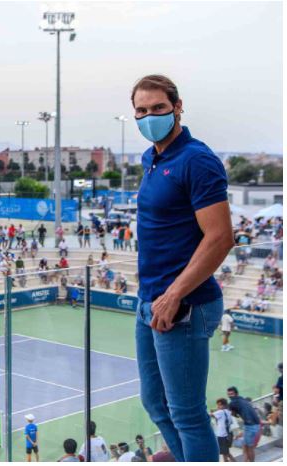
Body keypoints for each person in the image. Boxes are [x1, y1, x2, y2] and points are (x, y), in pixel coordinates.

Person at [132, 75, 232, 462]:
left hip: (185, 305)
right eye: (141, 110)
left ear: (177, 107)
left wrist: (174, 294)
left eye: (158, 108)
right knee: (155, 404)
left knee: (188, 414)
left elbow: (220, 238)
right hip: (150, 301)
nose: (149, 117)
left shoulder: (196, 160)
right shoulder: (151, 159)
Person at [227, 386, 260, 462]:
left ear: (236, 394)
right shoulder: (242, 399)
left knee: (249, 447)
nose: (230, 396)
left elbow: (230, 412)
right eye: (228, 394)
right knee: (245, 446)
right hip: (255, 424)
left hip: (250, 426)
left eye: (231, 394)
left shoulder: (232, 403)